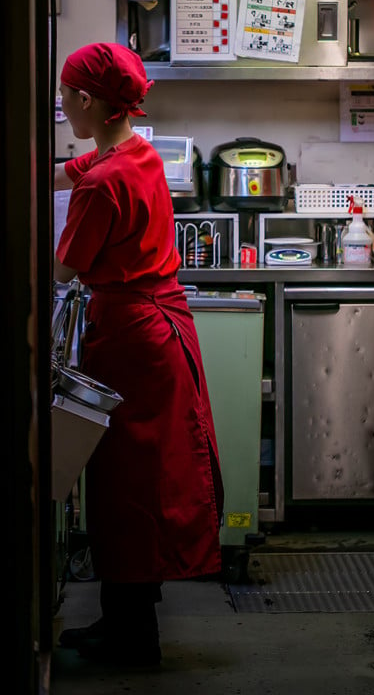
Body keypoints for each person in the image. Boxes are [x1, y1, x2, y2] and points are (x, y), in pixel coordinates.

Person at [53, 42, 224, 664]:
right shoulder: (137, 152)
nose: (63, 104)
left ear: (88, 100)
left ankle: (130, 638)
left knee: (124, 484)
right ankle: (128, 622)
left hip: (131, 339)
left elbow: (64, 268)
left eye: (67, 94)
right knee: (145, 481)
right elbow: (78, 170)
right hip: (159, 332)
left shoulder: (102, 184)